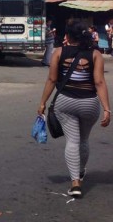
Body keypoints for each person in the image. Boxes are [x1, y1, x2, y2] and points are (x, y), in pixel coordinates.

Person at [37, 20, 111, 198]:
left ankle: (75, 184)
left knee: (72, 141)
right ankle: (81, 171)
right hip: (89, 103)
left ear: (68, 36)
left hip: (66, 102)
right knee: (83, 140)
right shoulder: (95, 54)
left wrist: (42, 103)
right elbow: (99, 82)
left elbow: (52, 80)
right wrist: (107, 109)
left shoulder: (58, 52)